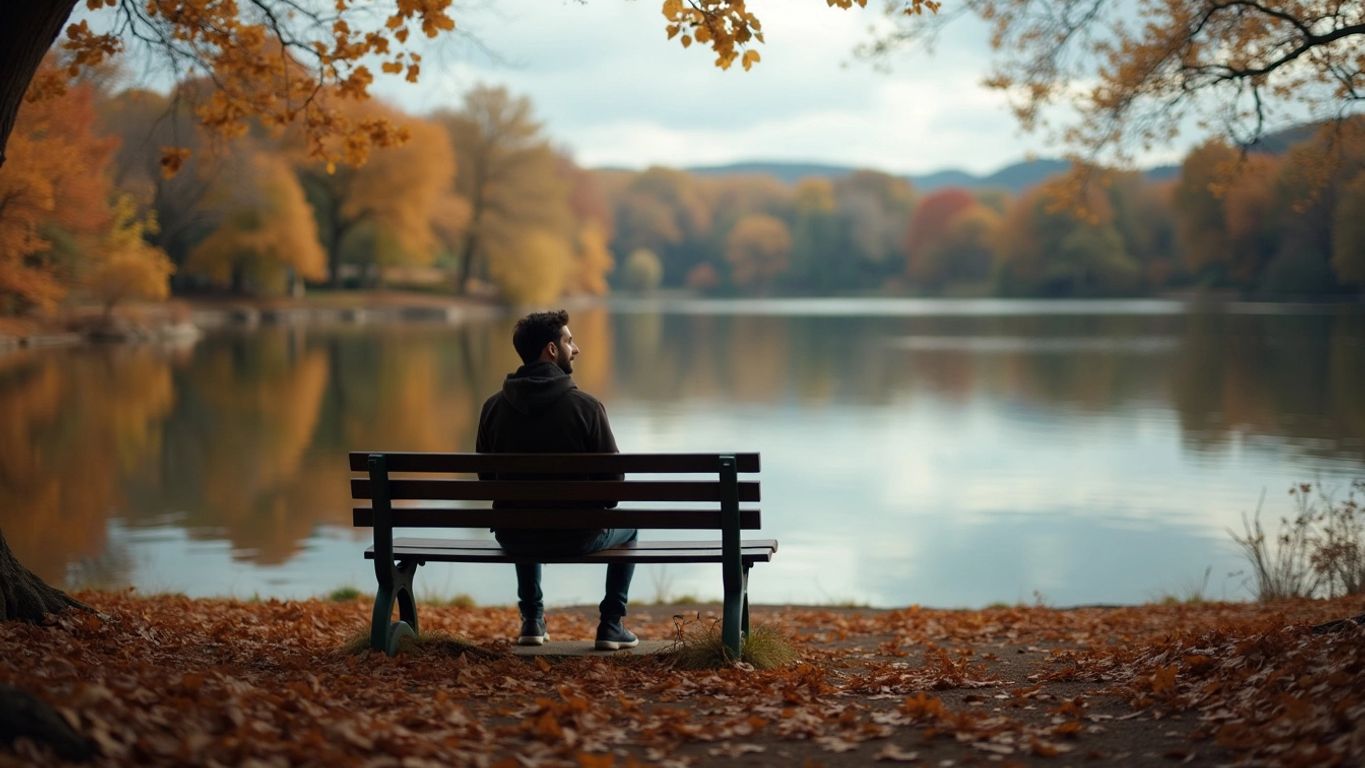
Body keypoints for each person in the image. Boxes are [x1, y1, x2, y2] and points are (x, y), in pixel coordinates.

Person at [475, 309, 639, 650]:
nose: (575, 348)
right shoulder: (587, 407)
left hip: (514, 536)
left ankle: (532, 620)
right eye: (569, 341)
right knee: (631, 526)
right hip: (577, 537)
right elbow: (614, 489)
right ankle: (611, 624)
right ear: (551, 350)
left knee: (521, 512)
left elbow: (487, 479)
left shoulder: (493, 407)